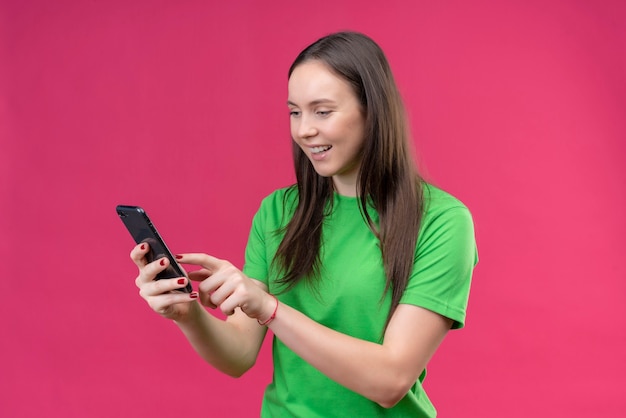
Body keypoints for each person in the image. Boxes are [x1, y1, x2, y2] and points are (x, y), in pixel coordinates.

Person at [131, 31, 478, 417]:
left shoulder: (442, 222)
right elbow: (239, 354)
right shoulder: (278, 212)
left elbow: (391, 380)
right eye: (295, 111)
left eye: (322, 111)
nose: (303, 130)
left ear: (373, 111)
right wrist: (189, 315)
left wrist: (269, 307)